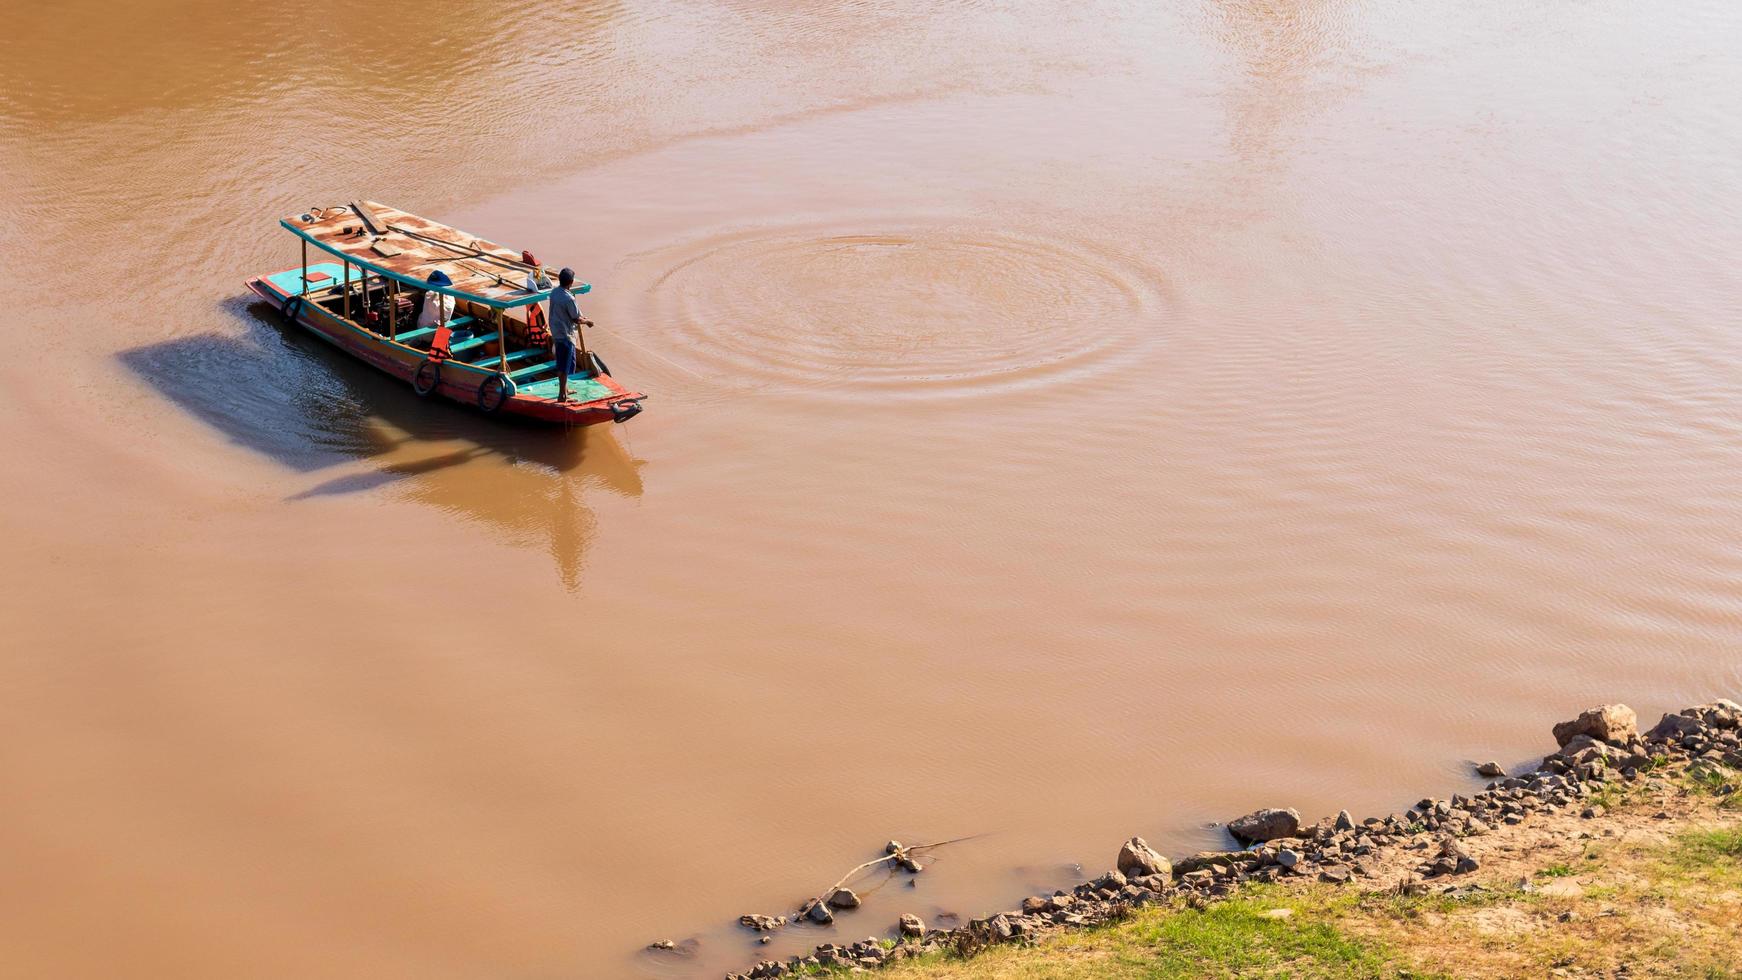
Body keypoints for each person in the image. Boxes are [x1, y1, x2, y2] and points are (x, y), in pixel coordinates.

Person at [548, 266, 593, 403]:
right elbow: (576, 319)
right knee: (564, 366)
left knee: (564, 363)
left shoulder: (554, 292)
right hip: (565, 335)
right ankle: (562, 396)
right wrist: (588, 321)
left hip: (556, 331)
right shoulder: (569, 299)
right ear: (571, 282)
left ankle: (565, 389)